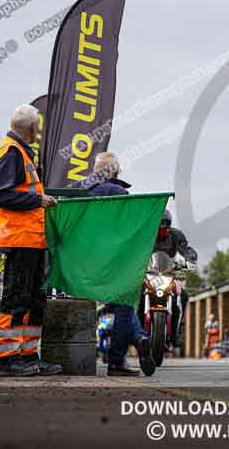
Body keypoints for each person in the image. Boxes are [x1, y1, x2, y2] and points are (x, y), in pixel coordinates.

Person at [0, 104, 61, 376]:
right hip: (19, 238)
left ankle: (29, 355)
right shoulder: (11, 152)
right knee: (17, 298)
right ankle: (9, 359)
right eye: (37, 126)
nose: (38, 131)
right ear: (31, 128)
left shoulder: (20, 152)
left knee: (34, 300)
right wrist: (37, 199)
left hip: (31, 239)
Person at [71, 152, 155, 376]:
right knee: (125, 303)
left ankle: (138, 338)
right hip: (113, 263)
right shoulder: (119, 193)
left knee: (122, 304)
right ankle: (118, 359)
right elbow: (130, 231)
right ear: (115, 172)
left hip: (80, 264)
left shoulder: (76, 189)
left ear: (95, 170)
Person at [153, 210, 197, 350]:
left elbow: (186, 249)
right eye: (159, 223)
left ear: (169, 224)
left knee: (182, 295)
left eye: (165, 223)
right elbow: (134, 249)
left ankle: (176, 332)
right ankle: (134, 331)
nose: (162, 227)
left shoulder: (175, 235)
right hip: (148, 274)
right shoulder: (146, 233)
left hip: (168, 274)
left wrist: (190, 259)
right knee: (134, 296)